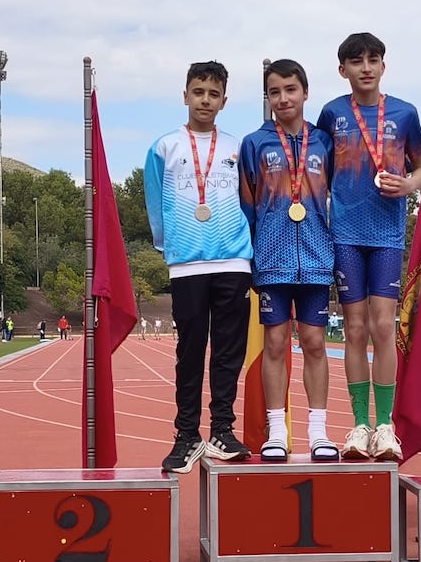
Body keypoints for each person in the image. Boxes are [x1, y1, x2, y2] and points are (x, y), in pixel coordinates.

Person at [316, 32, 421, 461]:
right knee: (354, 328)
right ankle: (359, 425)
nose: (365, 68)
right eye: (356, 61)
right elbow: (316, 169)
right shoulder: (332, 113)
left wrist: (408, 185)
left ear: (384, 65)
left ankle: (384, 427)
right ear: (342, 69)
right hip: (344, 233)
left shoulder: (405, 113)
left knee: (383, 327)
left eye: (373, 59)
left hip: (386, 235)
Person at [144, 60, 253, 473]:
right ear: (185, 95)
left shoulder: (237, 148)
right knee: (189, 352)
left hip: (234, 260)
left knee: (228, 352)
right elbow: (155, 202)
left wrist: (247, 249)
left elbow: (249, 200)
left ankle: (222, 430)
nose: (205, 100)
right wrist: (169, 245)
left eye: (213, 94)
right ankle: (187, 434)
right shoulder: (164, 147)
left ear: (224, 100)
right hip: (187, 264)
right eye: (198, 92)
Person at [239, 58, 337, 462]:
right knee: (276, 343)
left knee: (314, 342)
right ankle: (276, 430)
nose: (283, 98)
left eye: (290, 89)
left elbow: (343, 193)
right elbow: (247, 206)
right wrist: (250, 255)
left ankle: (319, 432)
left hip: (316, 257)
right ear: (267, 97)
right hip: (271, 260)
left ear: (305, 92)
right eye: (274, 92)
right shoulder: (254, 144)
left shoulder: (324, 143)